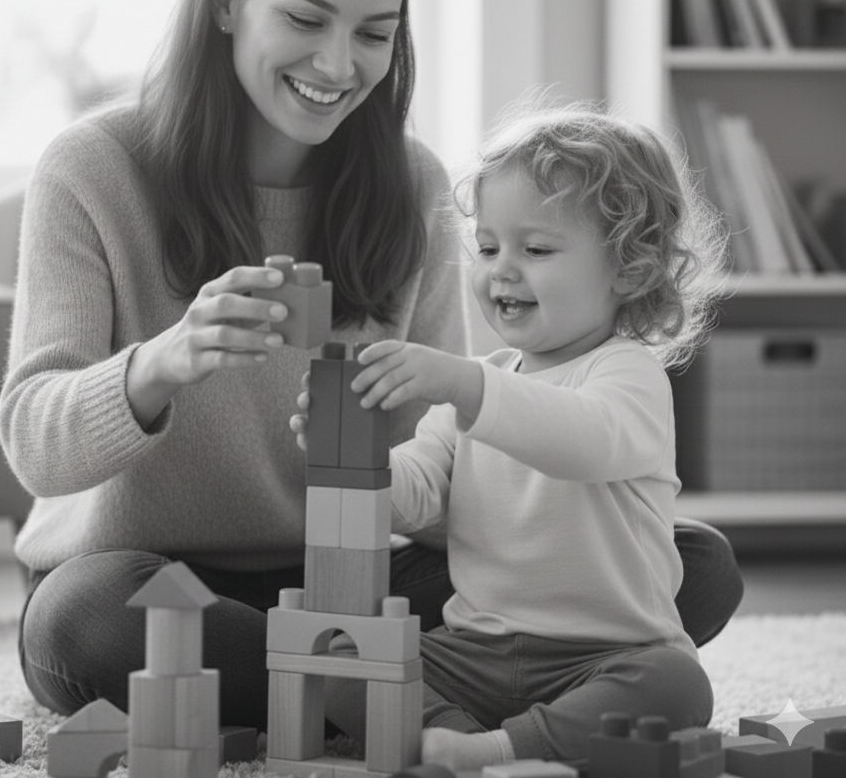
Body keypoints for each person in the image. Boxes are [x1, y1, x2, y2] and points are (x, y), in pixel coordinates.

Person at [0, 0, 742, 732]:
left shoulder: (415, 186)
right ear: (227, 0)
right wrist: (160, 363)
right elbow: (36, 446)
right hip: (144, 573)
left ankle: (356, 691)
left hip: (355, 571)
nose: (338, 63)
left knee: (690, 564)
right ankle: (383, 690)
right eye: (306, 18)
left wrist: (369, 465)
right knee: (89, 623)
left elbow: (452, 470)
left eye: (375, 33)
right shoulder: (93, 169)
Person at [293, 100, 730, 768]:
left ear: (629, 270)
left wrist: (466, 388)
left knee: (676, 685)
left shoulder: (626, 375)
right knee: (340, 659)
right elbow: (411, 495)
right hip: (476, 650)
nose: (501, 269)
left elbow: (583, 441)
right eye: (490, 247)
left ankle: (494, 748)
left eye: (537, 249)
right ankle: (462, 738)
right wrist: (353, 458)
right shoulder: (479, 384)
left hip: (608, 651)